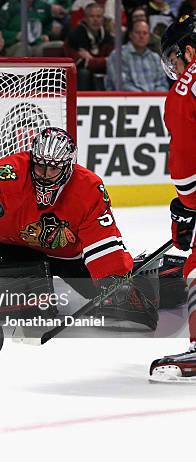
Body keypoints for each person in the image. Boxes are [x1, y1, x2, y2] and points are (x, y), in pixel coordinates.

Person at [0, 127, 159, 330]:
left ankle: (149, 271)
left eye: (53, 168)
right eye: (40, 167)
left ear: (68, 166)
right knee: (27, 306)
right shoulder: (15, 169)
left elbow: (102, 239)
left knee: (104, 294)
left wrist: (113, 278)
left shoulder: (88, 188)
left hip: (67, 255)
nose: (45, 175)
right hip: (11, 246)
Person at [149, 14, 196, 382]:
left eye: (177, 59)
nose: (177, 68)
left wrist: (186, 208)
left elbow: (184, 168)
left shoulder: (185, 88)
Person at [106, 20, 169, 91]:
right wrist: (144, 99)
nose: (141, 36)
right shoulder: (118, 55)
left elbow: (162, 84)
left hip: (155, 101)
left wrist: (154, 98)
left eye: (145, 33)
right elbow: (123, 85)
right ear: (130, 34)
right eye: (138, 33)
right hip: (126, 101)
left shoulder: (155, 58)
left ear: (149, 36)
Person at [64, 3, 114, 90]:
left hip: (102, 71)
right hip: (74, 76)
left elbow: (113, 60)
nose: (95, 20)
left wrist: (91, 60)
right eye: (92, 16)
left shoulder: (107, 36)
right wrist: (103, 60)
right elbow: (79, 63)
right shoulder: (75, 35)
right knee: (84, 73)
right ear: (85, 18)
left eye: (99, 16)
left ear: (103, 19)